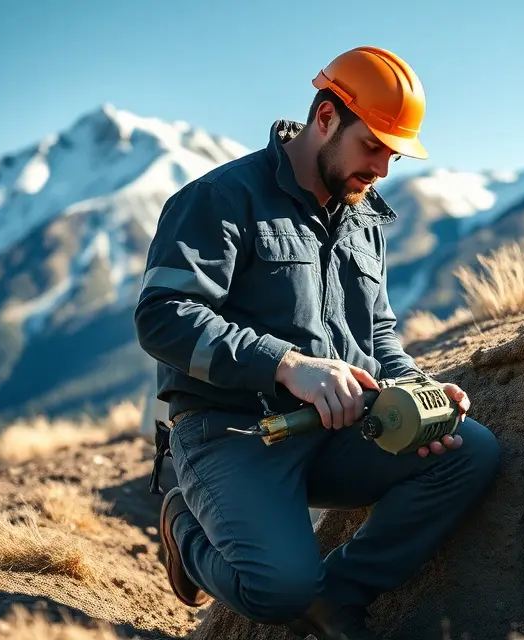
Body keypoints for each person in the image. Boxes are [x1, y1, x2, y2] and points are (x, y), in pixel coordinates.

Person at [133, 46, 501, 640]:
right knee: (277, 589)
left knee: (471, 453)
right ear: (325, 117)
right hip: (233, 433)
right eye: (372, 145)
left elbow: (377, 333)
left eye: (393, 154)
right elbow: (163, 317)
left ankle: (338, 596)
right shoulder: (221, 200)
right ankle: (185, 529)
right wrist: (285, 365)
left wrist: (417, 393)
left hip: (340, 430)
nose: (382, 169)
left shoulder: (365, 217)